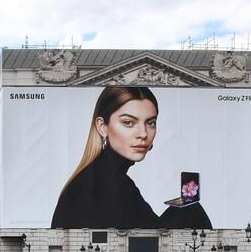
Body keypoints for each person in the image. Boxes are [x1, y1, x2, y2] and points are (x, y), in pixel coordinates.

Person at [52, 86, 211, 231]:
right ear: (103, 127)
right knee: (191, 211)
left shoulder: (107, 176)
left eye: (150, 123)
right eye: (128, 122)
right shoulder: (108, 183)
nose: (143, 133)